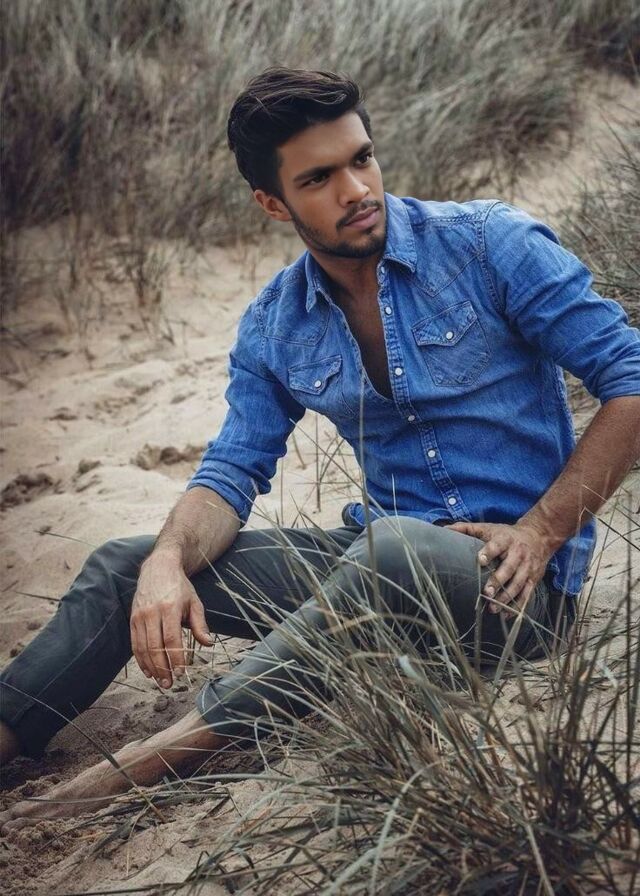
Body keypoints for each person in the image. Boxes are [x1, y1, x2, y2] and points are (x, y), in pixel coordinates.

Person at [1, 67, 639, 831]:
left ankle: (163, 753)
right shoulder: (278, 322)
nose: (356, 189)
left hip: (516, 591)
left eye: (361, 159)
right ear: (273, 203)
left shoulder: (488, 244)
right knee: (124, 566)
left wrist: (542, 531)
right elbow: (231, 473)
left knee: (393, 549)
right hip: (370, 571)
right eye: (319, 178)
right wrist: (168, 561)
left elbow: (630, 380)